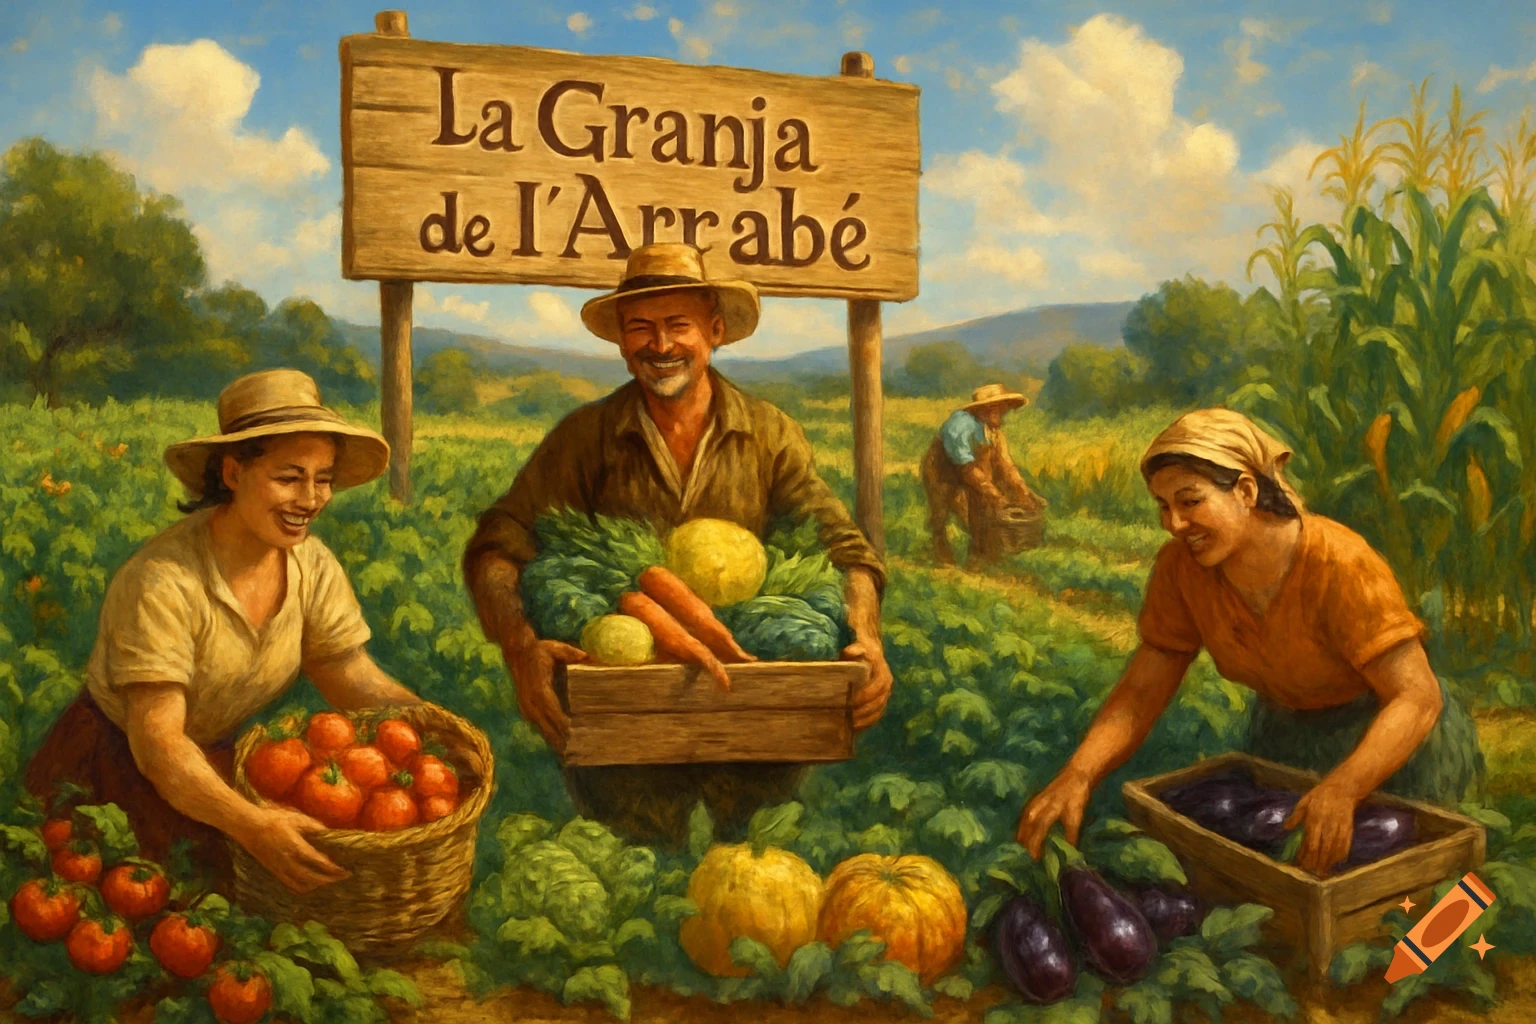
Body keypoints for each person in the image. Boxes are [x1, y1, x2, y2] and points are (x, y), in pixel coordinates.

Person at [463, 242, 891, 846]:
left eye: (677, 325)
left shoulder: (769, 433)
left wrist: (866, 635)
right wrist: (519, 645)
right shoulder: (584, 437)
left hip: (755, 724)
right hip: (622, 730)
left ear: (714, 331)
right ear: (621, 341)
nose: (659, 345)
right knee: (632, 866)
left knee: (754, 864)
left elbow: (844, 548)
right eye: (640, 327)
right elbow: (498, 545)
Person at [1016, 408, 1484, 877]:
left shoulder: (1340, 564)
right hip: (1285, 741)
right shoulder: (1182, 570)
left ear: (1245, 490)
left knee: (1422, 891)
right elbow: (1142, 690)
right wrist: (1079, 774)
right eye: (1163, 506)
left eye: (1190, 501)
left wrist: (1345, 786)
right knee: (1279, 891)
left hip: (1391, 745)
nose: (1174, 524)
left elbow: (1416, 696)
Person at [24, 370, 421, 895]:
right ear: (233, 472)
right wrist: (252, 825)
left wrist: (431, 726)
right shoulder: (163, 579)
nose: (311, 499)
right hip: (112, 771)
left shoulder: (313, 565)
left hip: (205, 767)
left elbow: (345, 671)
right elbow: (159, 743)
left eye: (323, 478)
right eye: (289, 477)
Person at [921, 383, 1045, 567]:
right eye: (995, 407)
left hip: (973, 470)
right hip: (942, 470)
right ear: (982, 409)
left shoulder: (995, 432)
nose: (1001, 411)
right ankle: (940, 551)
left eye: (1002, 407)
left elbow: (1007, 465)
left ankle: (981, 556)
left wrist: (1024, 491)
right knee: (941, 512)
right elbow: (967, 467)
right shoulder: (960, 425)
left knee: (982, 512)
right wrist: (993, 493)